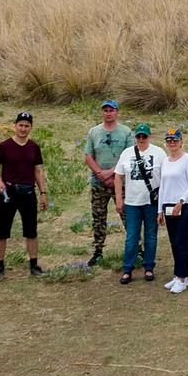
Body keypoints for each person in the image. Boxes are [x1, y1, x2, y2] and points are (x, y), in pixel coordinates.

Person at [0, 111, 48, 281]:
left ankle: (34, 266)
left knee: (31, 231)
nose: (23, 128)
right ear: (15, 125)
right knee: (2, 231)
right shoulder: (4, 146)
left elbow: (38, 170)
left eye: (26, 126)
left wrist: (43, 192)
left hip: (28, 193)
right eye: (20, 125)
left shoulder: (34, 147)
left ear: (31, 128)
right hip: (8, 193)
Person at [112, 123, 166, 284]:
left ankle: (149, 267)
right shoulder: (127, 153)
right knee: (132, 237)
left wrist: (163, 204)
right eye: (139, 136)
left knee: (150, 236)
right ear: (135, 137)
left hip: (151, 202)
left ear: (149, 137)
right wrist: (119, 199)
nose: (141, 139)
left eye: (144, 136)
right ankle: (127, 269)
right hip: (132, 202)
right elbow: (118, 176)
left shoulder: (158, 153)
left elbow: (166, 177)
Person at [81, 99, 130, 266]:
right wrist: (100, 174)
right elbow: (88, 156)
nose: (108, 113)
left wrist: (112, 173)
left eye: (111, 110)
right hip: (98, 182)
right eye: (105, 110)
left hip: (121, 182)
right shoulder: (94, 132)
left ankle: (135, 250)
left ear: (117, 112)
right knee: (98, 217)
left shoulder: (125, 132)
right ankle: (98, 251)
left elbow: (129, 157)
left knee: (127, 216)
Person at [156, 129, 188, 294]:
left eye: (175, 140)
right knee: (174, 241)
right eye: (169, 140)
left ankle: (182, 278)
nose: (172, 143)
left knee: (181, 240)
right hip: (168, 205)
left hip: (184, 205)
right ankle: (179, 275)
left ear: (181, 141)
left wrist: (181, 201)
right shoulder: (165, 161)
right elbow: (163, 188)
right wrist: (160, 210)